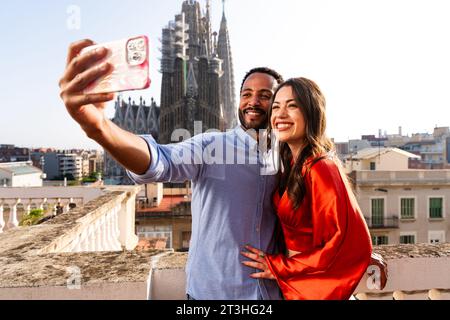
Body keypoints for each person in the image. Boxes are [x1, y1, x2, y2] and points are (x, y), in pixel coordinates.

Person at [58, 39, 285, 300]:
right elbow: (160, 162)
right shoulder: (212, 145)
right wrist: (99, 128)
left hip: (270, 295)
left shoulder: (288, 155)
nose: (253, 102)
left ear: (278, 104)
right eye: (246, 94)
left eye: (265, 96)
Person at [241, 77, 374, 300]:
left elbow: (342, 243)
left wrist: (280, 266)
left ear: (311, 113)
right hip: (297, 286)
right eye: (276, 107)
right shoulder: (292, 164)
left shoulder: (321, 167)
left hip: (313, 289)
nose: (280, 115)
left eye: (292, 106)